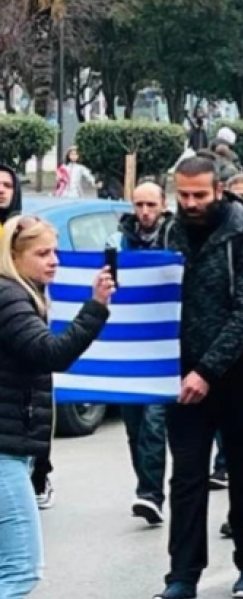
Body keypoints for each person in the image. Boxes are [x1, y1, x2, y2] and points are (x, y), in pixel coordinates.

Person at [156, 153, 243, 599]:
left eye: (199, 195)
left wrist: (207, 370)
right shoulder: (170, 231)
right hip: (181, 372)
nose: (190, 203)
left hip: (240, 372)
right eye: (183, 195)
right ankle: (182, 575)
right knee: (186, 478)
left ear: (219, 191)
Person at [0, 215, 112, 598]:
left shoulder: (18, 294)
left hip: (13, 445)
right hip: (4, 452)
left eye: (55, 251)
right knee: (19, 572)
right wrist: (96, 307)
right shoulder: (10, 297)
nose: (54, 260)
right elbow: (52, 353)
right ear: (14, 257)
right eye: (42, 252)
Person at [107, 183, 175, 526]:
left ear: (163, 205)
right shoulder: (120, 240)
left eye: (151, 204)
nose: (144, 211)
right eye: (139, 204)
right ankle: (146, 487)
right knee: (134, 422)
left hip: (166, 345)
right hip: (132, 343)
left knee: (154, 421)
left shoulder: (177, 237)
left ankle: (151, 494)